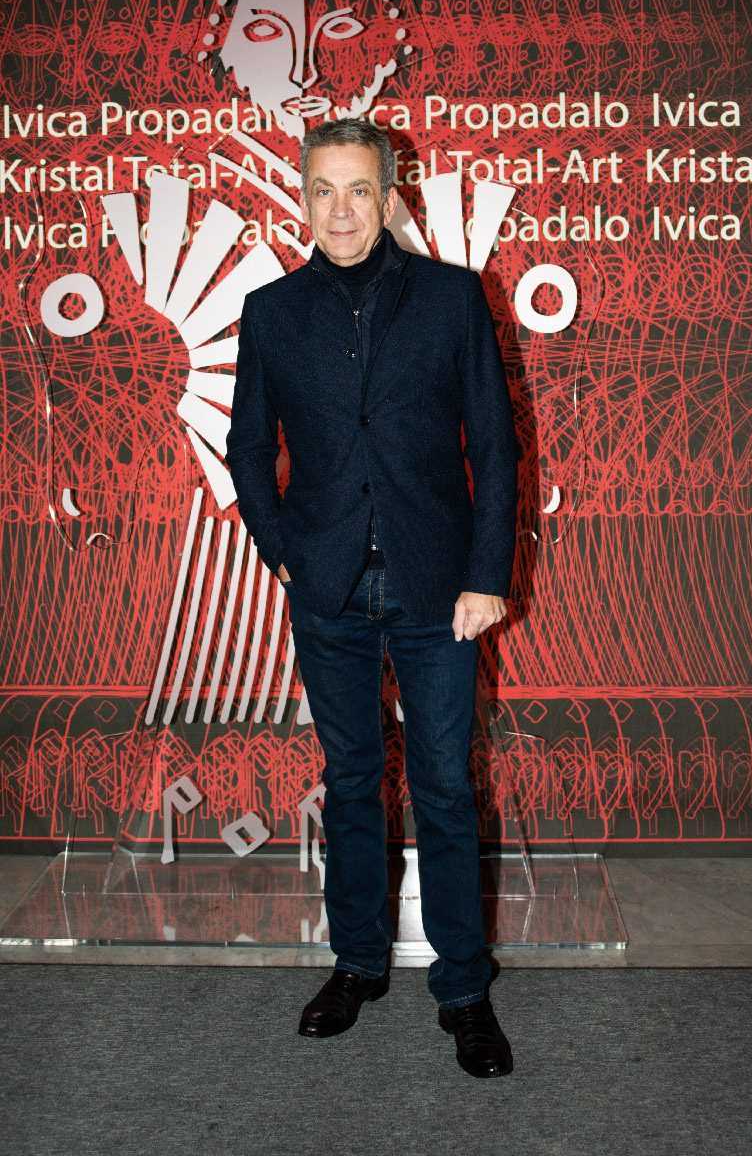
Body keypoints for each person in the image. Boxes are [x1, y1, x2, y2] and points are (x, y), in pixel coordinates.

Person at [226, 118, 519, 1078]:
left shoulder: (452, 298)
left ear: (390, 197)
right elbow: (247, 448)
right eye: (323, 190)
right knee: (350, 781)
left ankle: (464, 990)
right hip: (330, 589)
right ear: (302, 198)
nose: (341, 210)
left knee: (443, 786)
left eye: (359, 190)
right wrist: (282, 553)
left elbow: (495, 445)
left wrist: (487, 575)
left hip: (440, 592)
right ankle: (356, 964)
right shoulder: (271, 311)